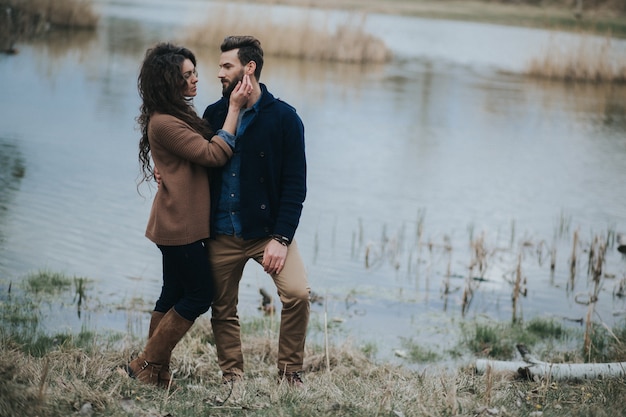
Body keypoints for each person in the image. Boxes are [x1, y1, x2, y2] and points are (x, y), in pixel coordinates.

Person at [129, 42, 252, 388]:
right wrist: (235, 106)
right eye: (187, 75)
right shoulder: (165, 122)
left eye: (195, 72)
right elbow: (214, 154)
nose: (196, 79)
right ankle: (147, 363)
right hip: (179, 223)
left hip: (178, 219)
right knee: (200, 293)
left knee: (172, 293)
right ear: (170, 82)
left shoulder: (175, 114)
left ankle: (156, 371)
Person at [202, 35, 310, 387]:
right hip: (221, 230)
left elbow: (295, 186)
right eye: (220, 66)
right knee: (222, 307)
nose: (219, 73)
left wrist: (281, 238)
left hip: (268, 232)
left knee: (297, 295)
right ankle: (232, 375)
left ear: (249, 68)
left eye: (226, 66)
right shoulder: (214, 114)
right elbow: (196, 162)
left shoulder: (285, 119)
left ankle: (289, 372)